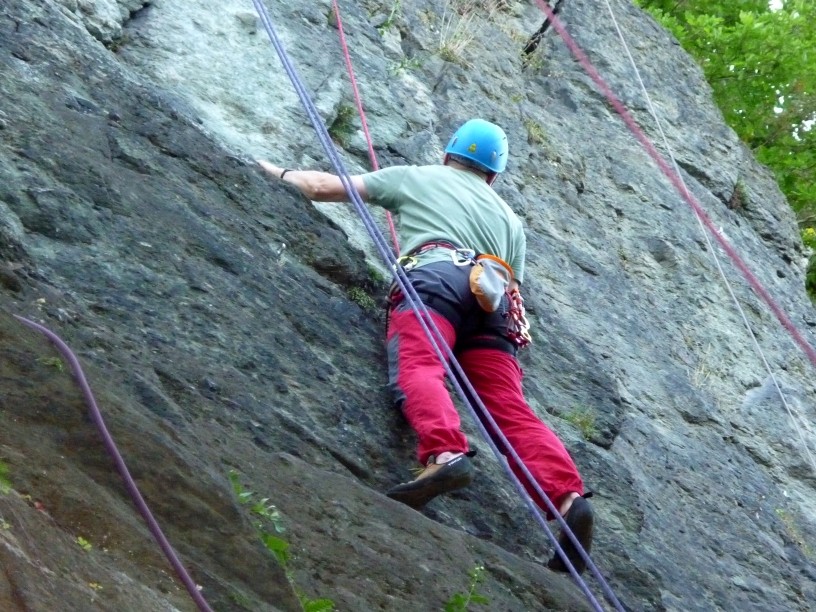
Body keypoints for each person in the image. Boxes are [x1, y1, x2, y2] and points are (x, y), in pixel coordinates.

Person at [257, 119, 594, 574]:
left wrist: (275, 172)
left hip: (436, 279)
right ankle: (569, 497)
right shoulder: (511, 221)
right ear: (493, 174)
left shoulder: (415, 176)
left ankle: (444, 455)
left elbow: (319, 186)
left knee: (420, 363)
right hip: (491, 303)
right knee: (509, 408)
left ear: (448, 153)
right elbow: (513, 285)